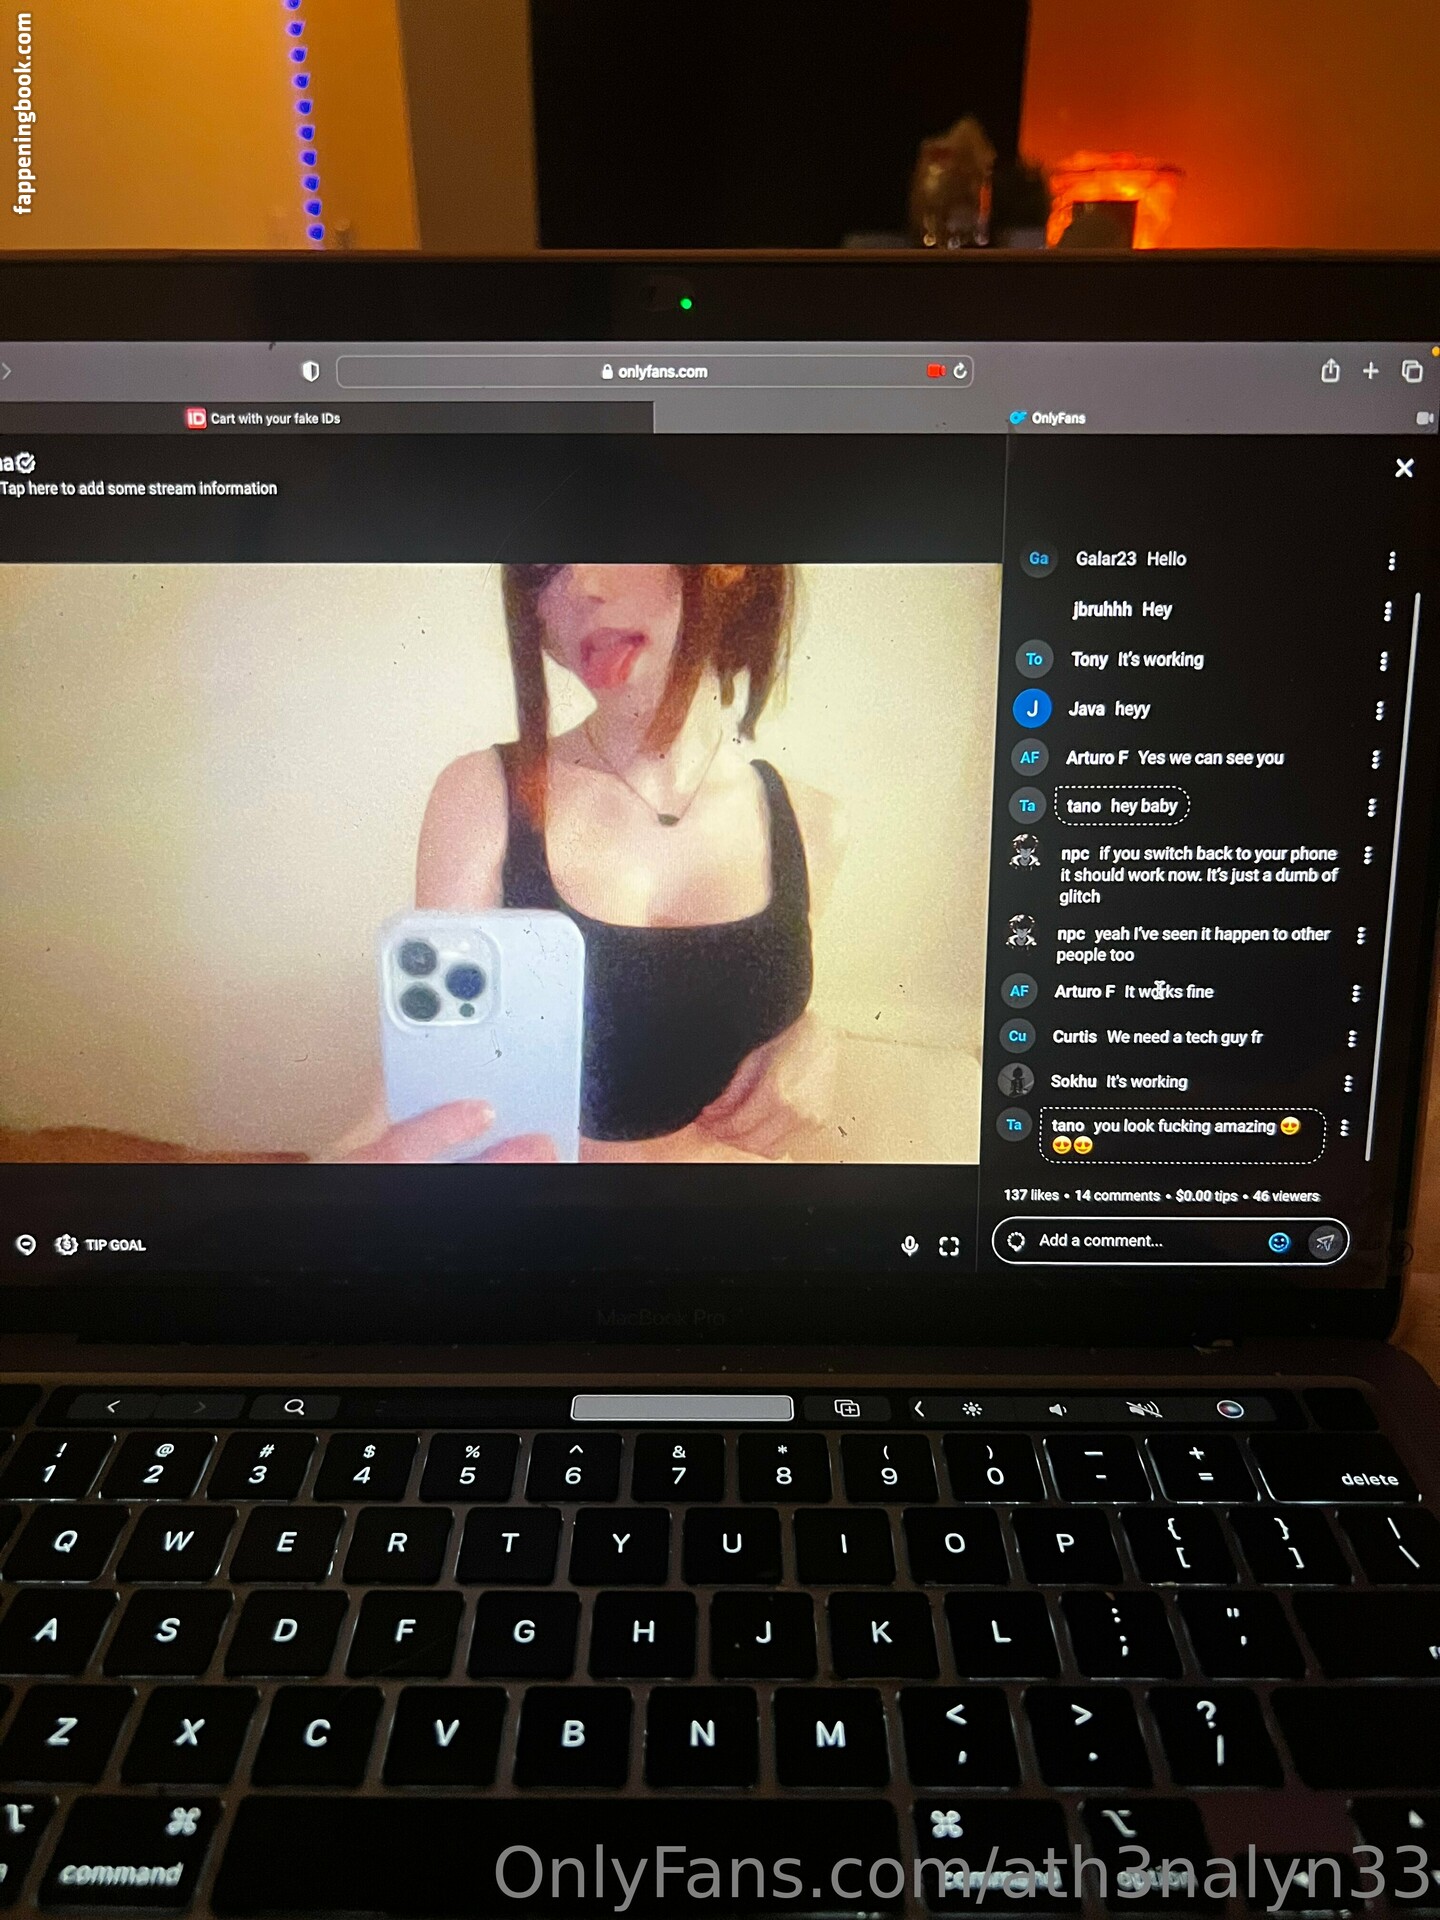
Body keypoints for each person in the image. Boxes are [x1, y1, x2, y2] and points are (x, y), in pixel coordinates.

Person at [415, 564, 846, 1162]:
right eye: (543, 569)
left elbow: (756, 1001)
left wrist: (818, 1037)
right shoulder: (484, 795)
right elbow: (429, 1067)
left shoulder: (812, 821)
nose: (577, 588)